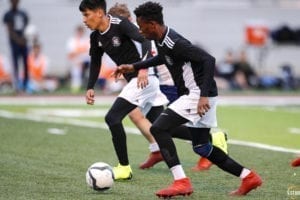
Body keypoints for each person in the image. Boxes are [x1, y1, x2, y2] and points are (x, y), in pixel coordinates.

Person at [114, 1, 262, 198]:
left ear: (152, 24)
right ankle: (249, 177)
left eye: (141, 26)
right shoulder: (162, 40)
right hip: (197, 94)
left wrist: (202, 96)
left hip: (197, 94)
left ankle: (181, 182)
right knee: (202, 147)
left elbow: (209, 60)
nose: (139, 31)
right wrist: (134, 66)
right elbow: (162, 58)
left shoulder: (173, 41)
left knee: (158, 128)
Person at [108, 2, 228, 171]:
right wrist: (135, 66)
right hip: (159, 83)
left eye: (119, 21)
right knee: (152, 122)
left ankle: (209, 144)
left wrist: (141, 68)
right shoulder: (135, 31)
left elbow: (150, 46)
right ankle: (159, 150)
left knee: (166, 125)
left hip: (171, 82)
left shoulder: (141, 31)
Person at [78, 0, 169, 180]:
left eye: (86, 15)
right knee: (162, 125)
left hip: (145, 77)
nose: (84, 20)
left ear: (99, 13)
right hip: (140, 80)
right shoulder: (95, 37)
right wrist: (90, 86)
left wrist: (142, 68)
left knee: (112, 117)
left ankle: (124, 167)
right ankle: (211, 140)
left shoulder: (120, 24)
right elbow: (96, 62)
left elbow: (146, 41)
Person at [3, 0, 29, 93]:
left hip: (24, 43)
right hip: (14, 43)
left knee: (26, 64)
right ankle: (16, 85)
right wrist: (19, 40)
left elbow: (27, 28)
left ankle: (25, 85)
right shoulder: (8, 15)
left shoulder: (23, 13)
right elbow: (9, 31)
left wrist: (25, 38)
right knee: (15, 64)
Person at [66, 25, 90, 93]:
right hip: (76, 60)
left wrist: (80, 56)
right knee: (76, 65)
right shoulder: (72, 41)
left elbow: (89, 53)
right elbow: (70, 54)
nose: (80, 33)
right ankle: (76, 85)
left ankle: (81, 85)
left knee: (79, 63)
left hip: (86, 60)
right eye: (79, 31)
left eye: (81, 31)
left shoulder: (87, 40)